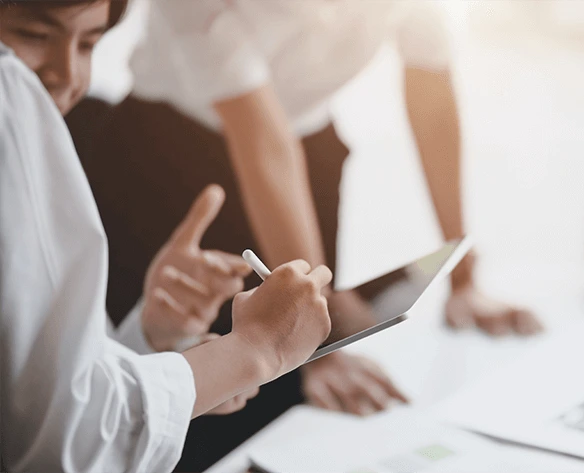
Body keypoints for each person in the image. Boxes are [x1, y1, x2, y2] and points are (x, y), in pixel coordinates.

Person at [67, 1, 544, 469]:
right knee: (189, 401)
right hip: (164, 163)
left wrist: (465, 281)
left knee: (294, 408)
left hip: (308, 149)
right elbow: (261, 139)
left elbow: (431, 95)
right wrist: (316, 341)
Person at [0, 1, 335, 471]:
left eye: (89, 43)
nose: (68, 74)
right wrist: (252, 350)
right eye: (34, 35)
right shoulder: (9, 99)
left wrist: (145, 338)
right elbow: (64, 441)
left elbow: (36, 387)